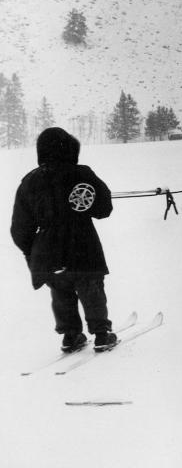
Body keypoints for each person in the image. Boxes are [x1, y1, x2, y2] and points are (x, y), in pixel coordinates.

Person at [10, 127, 117, 353]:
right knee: (90, 287)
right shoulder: (82, 174)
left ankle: (70, 336)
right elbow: (104, 208)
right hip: (83, 244)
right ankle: (101, 334)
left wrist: (32, 252)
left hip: (47, 252)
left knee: (60, 291)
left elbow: (20, 228)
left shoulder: (29, 182)